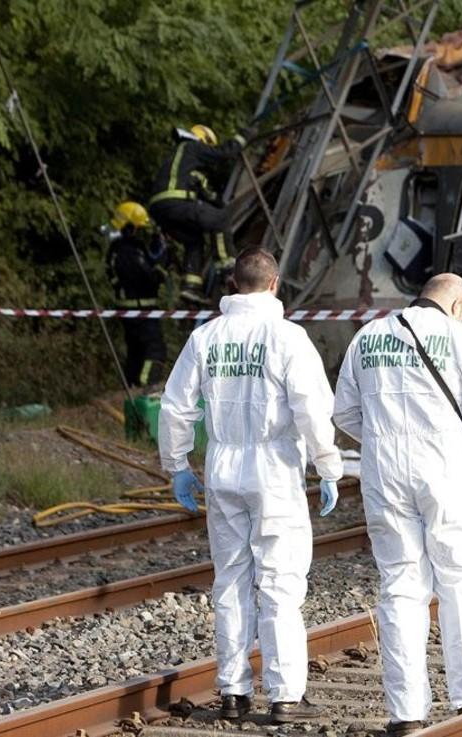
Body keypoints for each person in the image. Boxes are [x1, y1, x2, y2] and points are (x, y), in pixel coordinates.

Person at [158, 247, 344, 723]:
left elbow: (177, 405)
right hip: (274, 469)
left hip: (223, 469)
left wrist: (177, 464)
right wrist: (327, 465)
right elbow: (310, 408)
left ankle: (234, 691)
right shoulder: (287, 337)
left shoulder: (205, 338)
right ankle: (284, 695)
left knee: (231, 582)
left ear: (232, 284)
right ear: (275, 284)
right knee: (280, 582)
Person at [332, 273, 462, 736]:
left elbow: (345, 411)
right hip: (444, 465)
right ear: (457, 305)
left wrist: (379, 440)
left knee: (399, 585)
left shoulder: (368, 338)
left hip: (383, 470)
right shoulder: (461, 338)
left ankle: (406, 712)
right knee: (461, 580)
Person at [148, 124, 246, 305]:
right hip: (175, 203)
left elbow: (205, 191)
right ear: (203, 140)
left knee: (194, 240)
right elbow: (223, 154)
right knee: (220, 218)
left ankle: (190, 287)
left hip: (160, 209)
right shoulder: (192, 147)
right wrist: (241, 138)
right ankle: (228, 269)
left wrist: (216, 200)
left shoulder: (181, 162)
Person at [106, 201, 168, 389]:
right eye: (139, 228)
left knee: (136, 352)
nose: (142, 232)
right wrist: (161, 265)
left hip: (131, 310)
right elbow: (148, 277)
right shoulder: (128, 252)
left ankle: (131, 386)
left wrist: (158, 250)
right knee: (154, 350)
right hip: (140, 309)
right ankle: (146, 386)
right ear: (130, 227)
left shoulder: (118, 250)